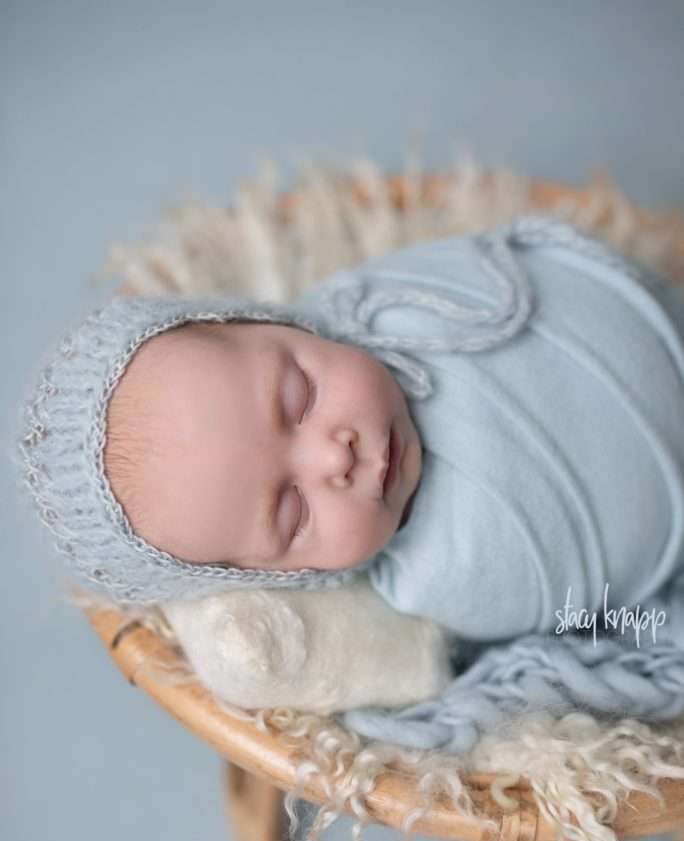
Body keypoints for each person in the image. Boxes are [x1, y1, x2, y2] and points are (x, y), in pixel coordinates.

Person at [15, 215, 684, 641]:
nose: (332, 459)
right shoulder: (433, 589)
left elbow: (514, 259)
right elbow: (581, 623)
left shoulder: (383, 304)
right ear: (283, 576)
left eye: (298, 396)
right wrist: (643, 621)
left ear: (269, 321)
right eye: (292, 510)